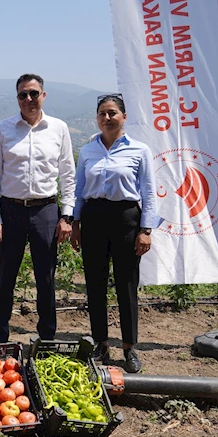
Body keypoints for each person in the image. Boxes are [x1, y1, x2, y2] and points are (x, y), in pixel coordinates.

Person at [0, 73, 75, 342]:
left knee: (46, 279)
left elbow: (68, 174)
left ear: (43, 96)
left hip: (46, 211)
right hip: (10, 210)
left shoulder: (59, 128)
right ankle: (1, 339)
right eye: (23, 94)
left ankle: (47, 338)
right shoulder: (3, 129)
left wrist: (67, 215)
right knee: (6, 278)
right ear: (17, 99)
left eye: (33, 93)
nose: (28, 99)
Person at [70, 93, 157, 373]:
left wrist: (146, 229)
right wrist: (75, 223)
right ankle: (101, 344)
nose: (107, 118)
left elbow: (149, 192)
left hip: (126, 219)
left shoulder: (139, 150)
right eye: (102, 114)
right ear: (97, 118)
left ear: (124, 117)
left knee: (126, 285)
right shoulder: (87, 150)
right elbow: (79, 191)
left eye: (112, 113)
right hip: (94, 219)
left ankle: (130, 348)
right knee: (95, 285)